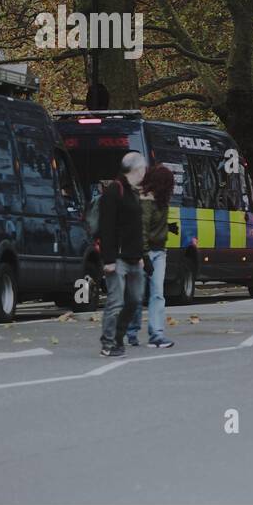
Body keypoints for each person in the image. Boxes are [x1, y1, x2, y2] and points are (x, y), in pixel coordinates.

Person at [99, 152, 147, 358]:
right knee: (115, 301)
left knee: (135, 299)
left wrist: (141, 255)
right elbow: (106, 227)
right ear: (136, 170)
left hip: (134, 257)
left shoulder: (132, 192)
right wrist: (108, 259)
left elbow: (135, 227)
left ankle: (118, 336)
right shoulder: (114, 191)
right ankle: (109, 342)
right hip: (117, 258)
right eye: (143, 168)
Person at [124, 164, 176, 349]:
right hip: (144, 253)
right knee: (138, 295)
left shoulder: (162, 200)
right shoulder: (146, 201)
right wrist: (143, 256)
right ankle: (131, 330)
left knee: (157, 294)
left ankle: (156, 334)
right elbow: (142, 231)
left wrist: (168, 229)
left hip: (159, 251)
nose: (172, 188)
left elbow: (153, 227)